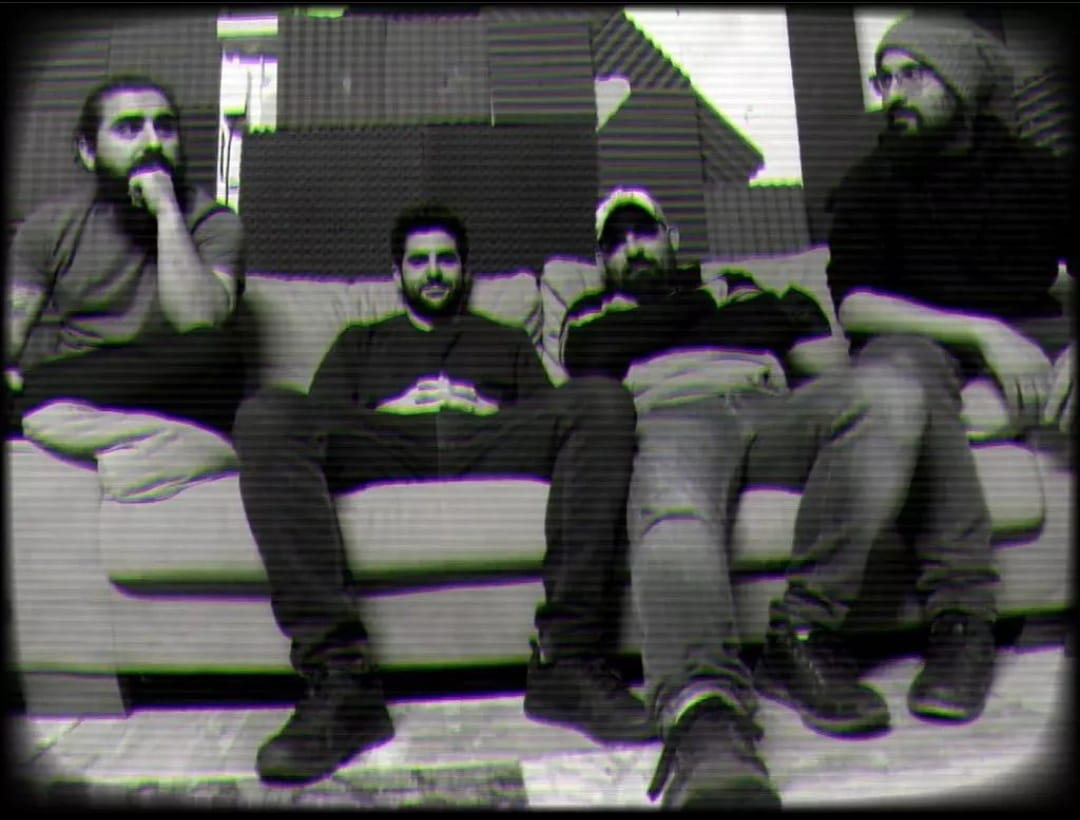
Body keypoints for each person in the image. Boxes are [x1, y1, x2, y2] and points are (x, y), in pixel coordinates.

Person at [233, 202, 654, 786]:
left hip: (487, 439)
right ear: (397, 273)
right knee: (266, 414)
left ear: (465, 269)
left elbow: (554, 425)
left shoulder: (506, 340)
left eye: (446, 260)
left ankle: (569, 660)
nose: (433, 271)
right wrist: (392, 409)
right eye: (419, 261)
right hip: (388, 442)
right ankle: (342, 683)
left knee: (602, 400)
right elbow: (318, 425)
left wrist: (489, 411)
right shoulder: (360, 342)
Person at [752, 11, 1073, 742]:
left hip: (1033, 345)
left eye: (911, 76)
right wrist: (982, 332)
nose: (892, 94)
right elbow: (856, 305)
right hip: (923, 354)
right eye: (883, 80)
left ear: (960, 85)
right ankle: (962, 618)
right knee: (908, 368)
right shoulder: (871, 183)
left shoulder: (1040, 174)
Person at [563, 187, 843, 808]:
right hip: (677, 416)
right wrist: (706, 310)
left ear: (672, 238)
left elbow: (773, 323)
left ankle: (804, 633)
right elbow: (594, 352)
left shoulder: (731, 281)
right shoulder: (589, 309)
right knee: (674, 508)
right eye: (616, 242)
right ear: (602, 260)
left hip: (773, 409)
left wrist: (655, 327)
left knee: (889, 396)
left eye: (643, 233)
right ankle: (705, 716)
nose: (632, 249)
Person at [5, 74, 247, 440]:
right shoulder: (48, 227)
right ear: (89, 152)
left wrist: (167, 211)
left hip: (175, 393)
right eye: (129, 129)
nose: (153, 143)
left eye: (165, 128)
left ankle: (22, 404)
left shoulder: (215, 223)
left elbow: (198, 321)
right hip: (77, 388)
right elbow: (14, 328)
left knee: (215, 349)